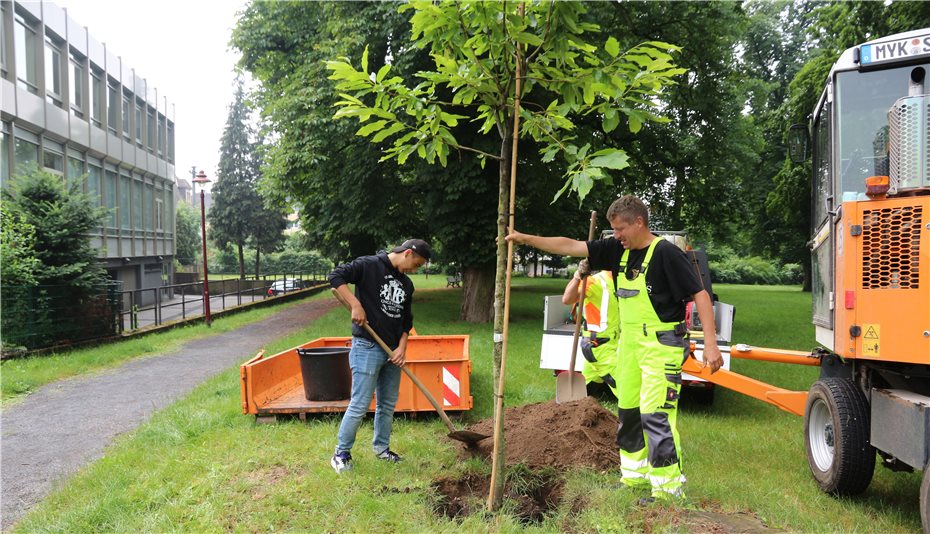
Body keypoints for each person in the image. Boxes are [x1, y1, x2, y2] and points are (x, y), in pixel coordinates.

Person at [507, 195, 722, 502]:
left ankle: (667, 491)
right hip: (629, 344)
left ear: (639, 222)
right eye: (613, 230)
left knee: (655, 414)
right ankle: (633, 478)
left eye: (621, 228)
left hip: (661, 345)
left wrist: (711, 344)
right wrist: (525, 238)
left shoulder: (666, 254)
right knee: (629, 411)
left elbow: (700, 295)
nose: (616, 235)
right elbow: (570, 245)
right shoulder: (616, 251)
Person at [328, 238, 432, 473]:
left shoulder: (406, 284)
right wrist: (355, 304)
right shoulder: (369, 265)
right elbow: (335, 277)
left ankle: (382, 449)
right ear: (407, 253)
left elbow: (407, 320)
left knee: (387, 404)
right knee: (360, 404)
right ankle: (341, 453)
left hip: (393, 352)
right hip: (367, 346)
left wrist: (401, 348)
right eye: (416, 264)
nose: (415, 270)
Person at [561, 259, 620, 399]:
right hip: (599, 347)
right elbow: (567, 299)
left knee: (584, 394)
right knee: (627, 389)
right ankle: (638, 421)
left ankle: (573, 413)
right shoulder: (595, 281)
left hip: (611, 344)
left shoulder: (623, 281)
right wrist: (578, 276)